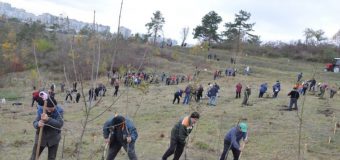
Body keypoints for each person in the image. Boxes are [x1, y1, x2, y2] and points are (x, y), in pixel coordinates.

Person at [30, 95, 64, 160]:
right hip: (41, 137)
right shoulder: (41, 110)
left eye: (52, 109)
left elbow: (60, 124)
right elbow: (35, 122)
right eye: (49, 110)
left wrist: (48, 119)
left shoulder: (59, 111)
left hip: (54, 138)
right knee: (33, 158)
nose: (50, 111)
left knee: (51, 158)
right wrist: (38, 124)